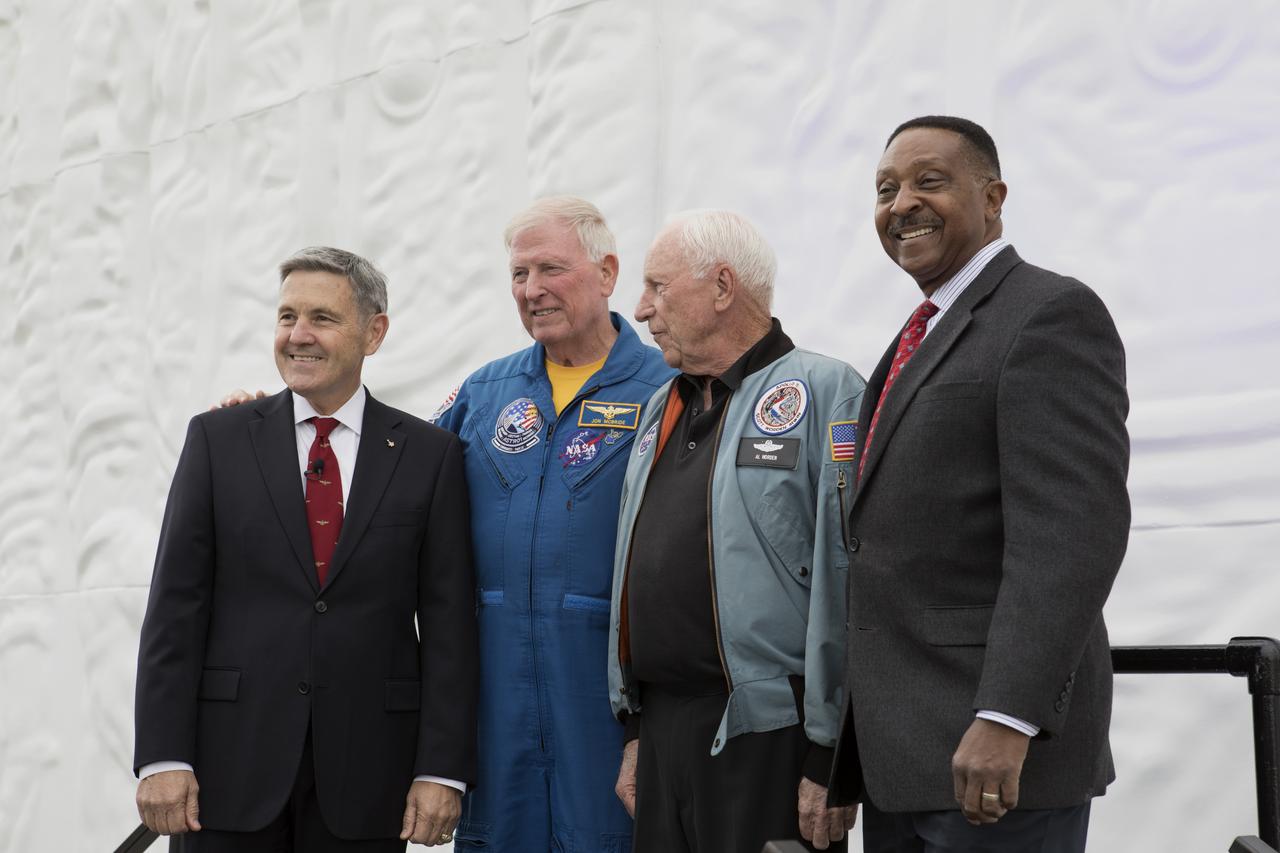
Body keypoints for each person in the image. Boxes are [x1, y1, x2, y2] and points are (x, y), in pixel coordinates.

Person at [826, 116, 1130, 852]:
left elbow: (1069, 537)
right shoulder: (915, 335)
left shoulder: (1048, 314)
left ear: (993, 197)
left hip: (994, 765)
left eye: (929, 181)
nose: (901, 203)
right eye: (885, 189)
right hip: (904, 762)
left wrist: (1008, 715)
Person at [133, 247, 478, 851]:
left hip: (371, 780)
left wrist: (439, 769)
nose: (299, 335)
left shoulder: (431, 457)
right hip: (226, 773)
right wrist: (161, 755)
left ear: (375, 332)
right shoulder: (216, 440)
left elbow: (450, 626)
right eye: (287, 316)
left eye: (322, 317)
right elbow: (174, 609)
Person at [608, 210, 865, 852]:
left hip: (771, 733)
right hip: (665, 730)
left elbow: (847, 577)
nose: (641, 310)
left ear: (722, 287)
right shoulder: (658, 408)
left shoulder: (826, 390)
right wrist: (636, 731)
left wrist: (828, 757)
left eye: (658, 287)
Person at [430, 197, 674, 851]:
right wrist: (270, 424)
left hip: (609, 709)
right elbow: (392, 487)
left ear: (606, 272)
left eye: (550, 269)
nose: (531, 290)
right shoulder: (484, 394)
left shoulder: (670, 391)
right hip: (496, 707)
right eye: (518, 274)